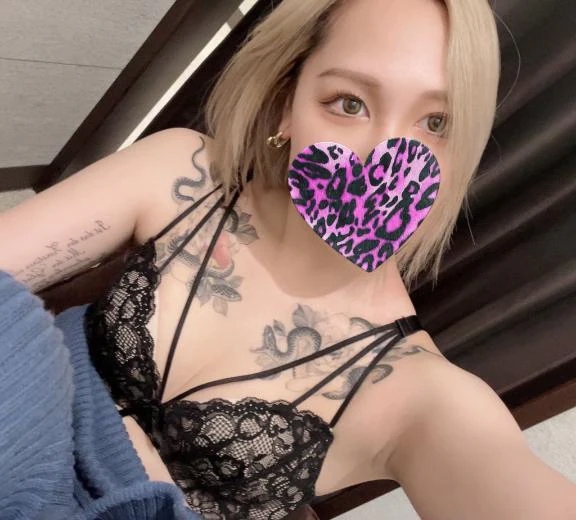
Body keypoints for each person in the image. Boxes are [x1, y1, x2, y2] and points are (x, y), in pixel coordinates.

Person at [0, 0, 575, 518]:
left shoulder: (420, 392)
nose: (380, 158)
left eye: (435, 123)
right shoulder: (185, 175)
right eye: (349, 103)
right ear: (286, 106)